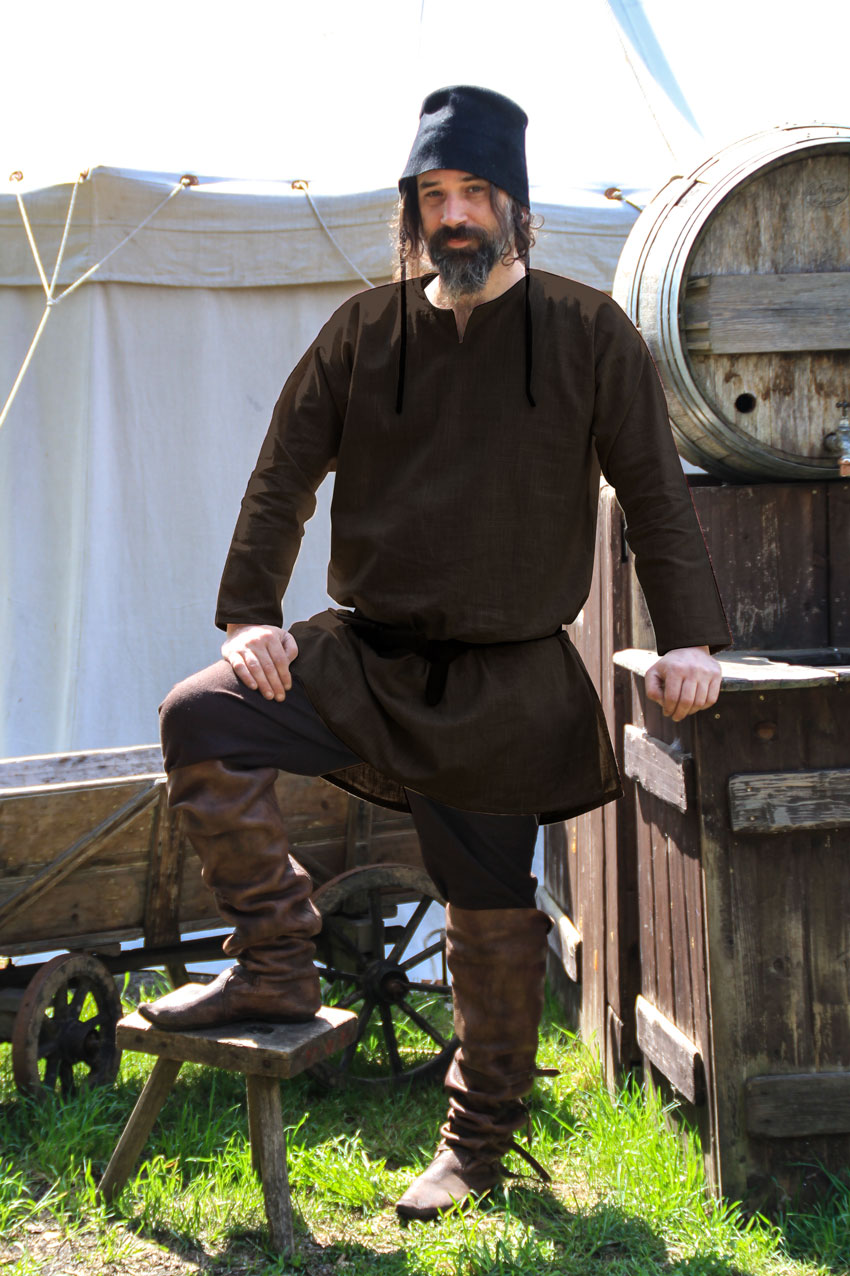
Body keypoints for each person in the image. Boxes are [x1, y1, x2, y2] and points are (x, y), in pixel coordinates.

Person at [140, 85, 730, 1221]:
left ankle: (477, 1142)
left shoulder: (586, 332)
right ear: (413, 209)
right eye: (433, 196)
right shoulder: (364, 331)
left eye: (474, 193)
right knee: (201, 717)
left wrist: (690, 640)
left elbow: (655, 495)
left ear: (517, 205)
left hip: (507, 681)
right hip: (364, 657)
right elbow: (282, 473)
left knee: (489, 911)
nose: (452, 216)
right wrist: (250, 617)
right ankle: (275, 961)